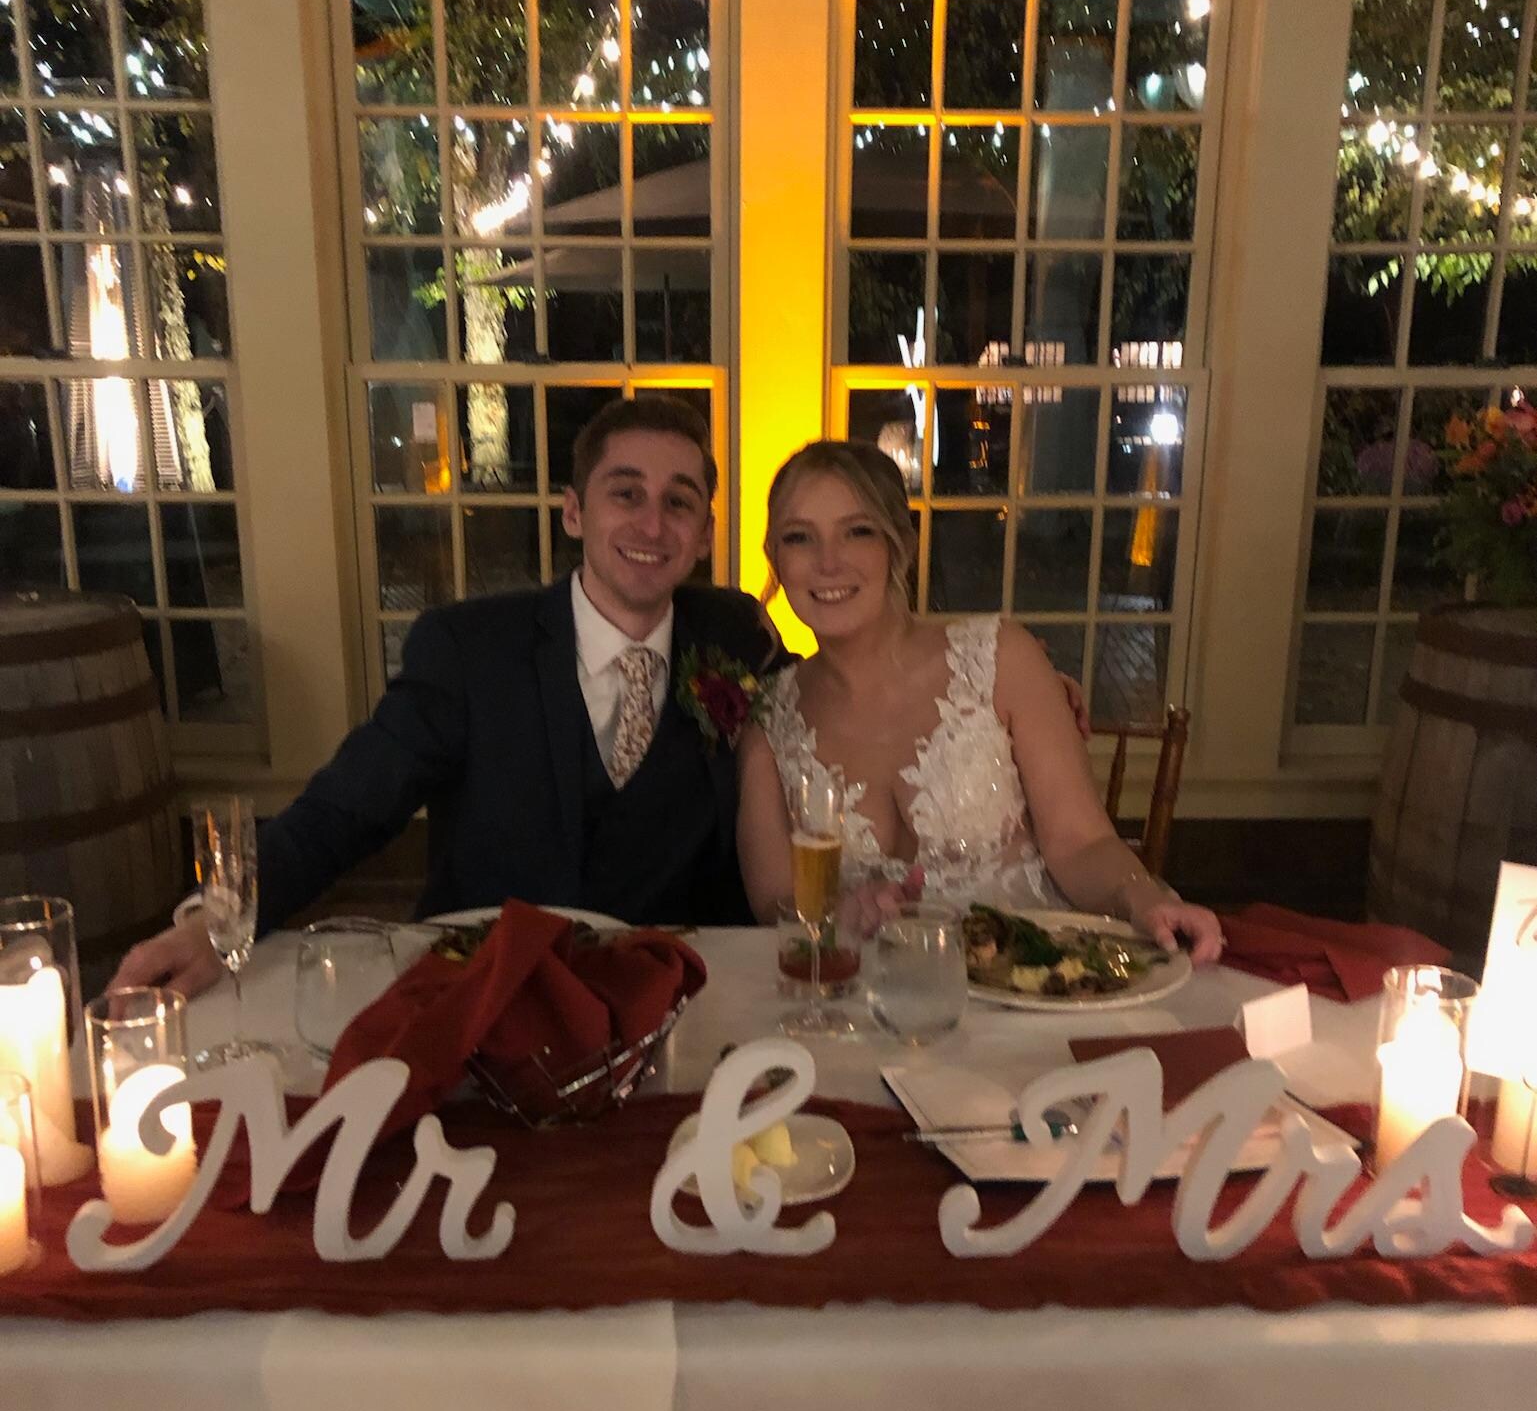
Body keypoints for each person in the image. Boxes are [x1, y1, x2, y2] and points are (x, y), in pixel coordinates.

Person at [113, 396, 786, 998]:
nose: (651, 524)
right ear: (574, 512)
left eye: (678, 501)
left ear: (703, 533)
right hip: (491, 996)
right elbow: (347, 805)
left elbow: (830, 719)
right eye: (625, 494)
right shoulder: (470, 648)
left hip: (683, 994)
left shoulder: (733, 637)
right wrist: (220, 917)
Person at [735, 440, 1223, 964]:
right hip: (878, 1002)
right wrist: (843, 913)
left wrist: (1140, 897)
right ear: (775, 559)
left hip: (1038, 981)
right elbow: (776, 903)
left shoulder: (1000, 659)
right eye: (799, 538)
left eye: (857, 532)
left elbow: (1080, 844)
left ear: (901, 543)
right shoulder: (768, 717)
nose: (828, 562)